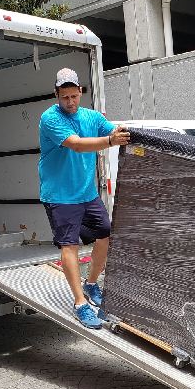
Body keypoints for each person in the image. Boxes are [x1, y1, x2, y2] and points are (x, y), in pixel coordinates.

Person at [39, 68, 130, 328]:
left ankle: (91, 285)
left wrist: (121, 132)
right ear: (56, 95)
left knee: (106, 234)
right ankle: (80, 303)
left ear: (80, 91)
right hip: (60, 196)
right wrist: (111, 141)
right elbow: (77, 144)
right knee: (70, 246)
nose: (69, 101)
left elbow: (114, 130)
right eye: (64, 96)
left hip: (86, 194)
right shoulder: (49, 118)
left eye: (73, 95)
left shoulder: (91, 116)